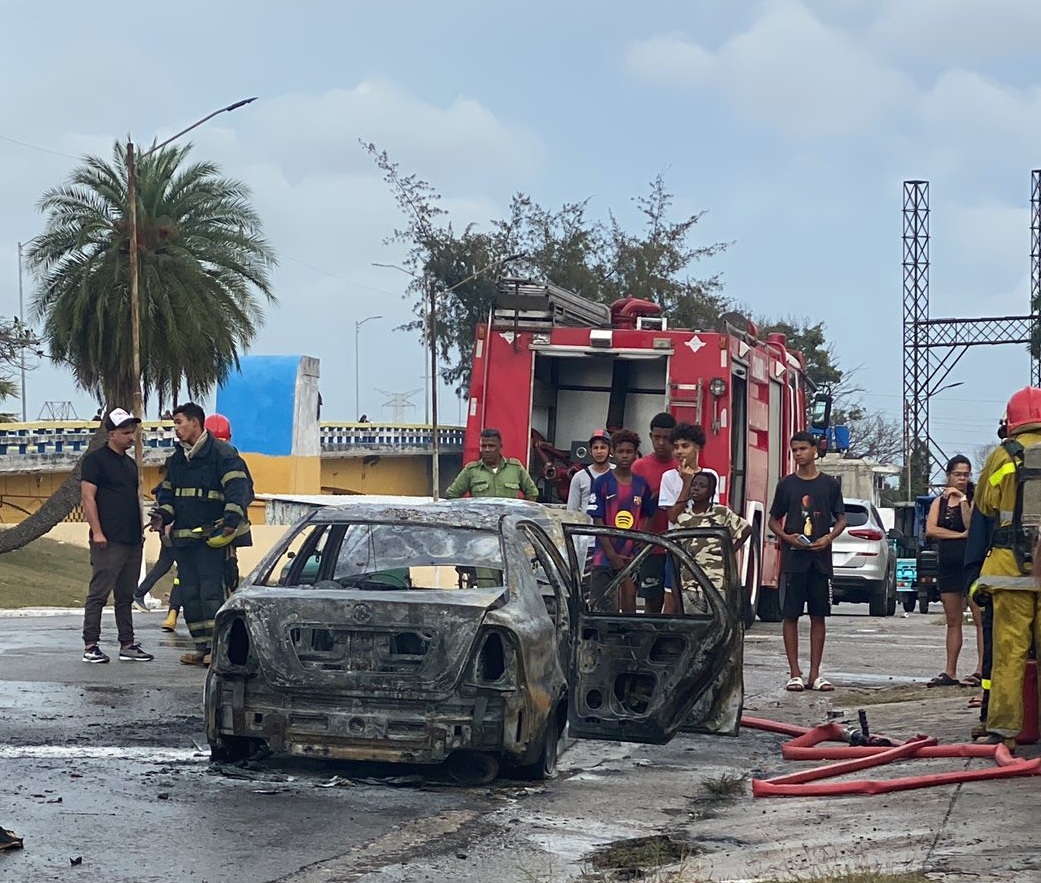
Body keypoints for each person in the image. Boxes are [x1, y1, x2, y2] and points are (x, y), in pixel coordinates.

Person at [152, 403, 252, 666]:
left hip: (212, 539)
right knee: (191, 595)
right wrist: (162, 515)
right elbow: (167, 493)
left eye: (179, 422)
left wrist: (231, 519)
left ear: (196, 422)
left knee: (212, 593)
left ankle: (218, 650)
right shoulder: (176, 460)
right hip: (184, 540)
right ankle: (201, 647)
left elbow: (239, 488)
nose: (176, 428)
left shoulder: (222, 454)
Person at [973, 387, 1041, 748]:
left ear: (1011, 422)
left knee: (1009, 654)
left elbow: (984, 506)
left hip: (1010, 572)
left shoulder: (1002, 457)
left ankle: (1003, 732)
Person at [767, 431, 846, 693]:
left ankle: (815, 673)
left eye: (803, 449)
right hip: (794, 560)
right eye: (794, 450)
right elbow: (773, 519)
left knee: (818, 615)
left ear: (815, 450)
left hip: (820, 560)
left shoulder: (830, 485)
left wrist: (829, 537)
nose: (798, 454)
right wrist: (787, 537)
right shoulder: (786, 485)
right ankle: (794, 672)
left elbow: (841, 518)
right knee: (790, 615)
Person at [80, 408, 154, 663]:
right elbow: (88, 498)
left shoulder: (130, 464)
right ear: (111, 434)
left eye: (132, 432)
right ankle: (91, 644)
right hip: (108, 540)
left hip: (132, 539)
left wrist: (140, 532)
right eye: (125, 432)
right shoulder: (95, 461)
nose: (130, 437)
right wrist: (98, 532)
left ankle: (127, 644)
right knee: (99, 594)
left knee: (125, 595)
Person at [925, 455, 982, 687]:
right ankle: (950, 671)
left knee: (980, 618)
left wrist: (962, 500)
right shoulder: (939, 501)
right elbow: (931, 529)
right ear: (949, 475)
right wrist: (957, 536)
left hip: (971, 565)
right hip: (948, 564)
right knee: (952, 620)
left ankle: (981, 669)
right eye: (957, 474)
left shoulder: (974, 498)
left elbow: (971, 526)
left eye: (966, 474)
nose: (961, 479)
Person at [586, 429, 655, 613]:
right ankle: (600, 641)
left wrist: (642, 541)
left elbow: (650, 513)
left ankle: (627, 639)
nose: (624, 456)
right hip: (604, 557)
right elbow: (597, 520)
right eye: (620, 451)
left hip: (631, 557)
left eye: (629, 452)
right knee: (601, 605)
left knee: (629, 603)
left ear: (635, 454)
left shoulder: (641, 485)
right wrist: (611, 554)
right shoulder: (602, 482)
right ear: (613, 453)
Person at [664, 471, 751, 614]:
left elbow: (746, 529)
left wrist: (731, 550)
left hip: (717, 581)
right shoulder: (684, 517)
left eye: (702, 486)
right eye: (694, 485)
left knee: (718, 619)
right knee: (695, 623)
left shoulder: (721, 513)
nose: (696, 488)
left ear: (711, 492)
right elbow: (676, 548)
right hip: (690, 582)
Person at [631, 412, 678, 614]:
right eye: (656, 437)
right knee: (651, 600)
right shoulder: (639, 467)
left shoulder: (681, 466)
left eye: (666, 438)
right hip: (649, 545)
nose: (660, 443)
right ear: (650, 436)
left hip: (676, 546)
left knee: (674, 601)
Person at [445, 427, 539, 500]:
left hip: (508, 521)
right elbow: (451, 495)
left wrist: (520, 512)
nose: (487, 450)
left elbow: (532, 493)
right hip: (481, 523)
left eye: (491, 446)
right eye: (484, 446)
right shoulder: (471, 470)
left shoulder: (515, 468)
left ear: (500, 447)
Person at [659, 422, 720, 526]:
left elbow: (711, 512)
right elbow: (673, 517)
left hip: (702, 537)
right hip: (677, 538)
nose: (679, 451)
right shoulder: (668, 476)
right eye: (676, 447)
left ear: (697, 448)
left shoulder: (710, 475)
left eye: (685, 446)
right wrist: (687, 484)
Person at [566, 430, 612, 513]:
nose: (599, 451)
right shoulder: (579, 477)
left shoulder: (617, 474)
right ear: (590, 451)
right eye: (595, 448)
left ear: (610, 450)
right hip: (587, 525)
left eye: (603, 447)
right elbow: (571, 511)